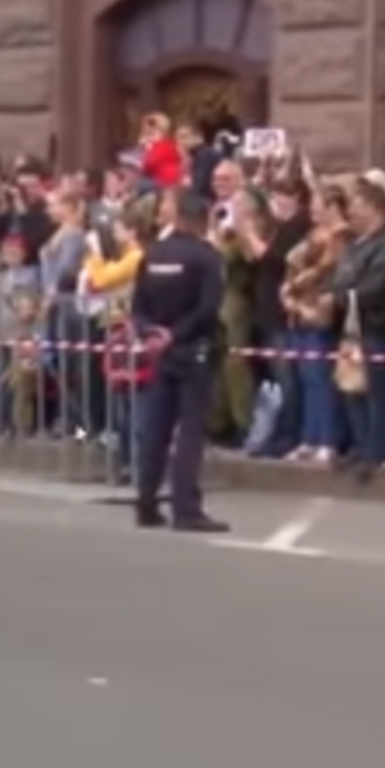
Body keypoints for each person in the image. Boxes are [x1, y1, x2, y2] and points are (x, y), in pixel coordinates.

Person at [127, 190, 229, 532]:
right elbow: (208, 307)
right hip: (193, 348)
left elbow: (137, 306)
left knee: (156, 427)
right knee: (190, 430)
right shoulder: (206, 257)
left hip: (160, 350)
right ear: (201, 220)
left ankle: (146, 502)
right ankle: (186, 508)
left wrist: (151, 333)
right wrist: (177, 333)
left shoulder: (153, 255)